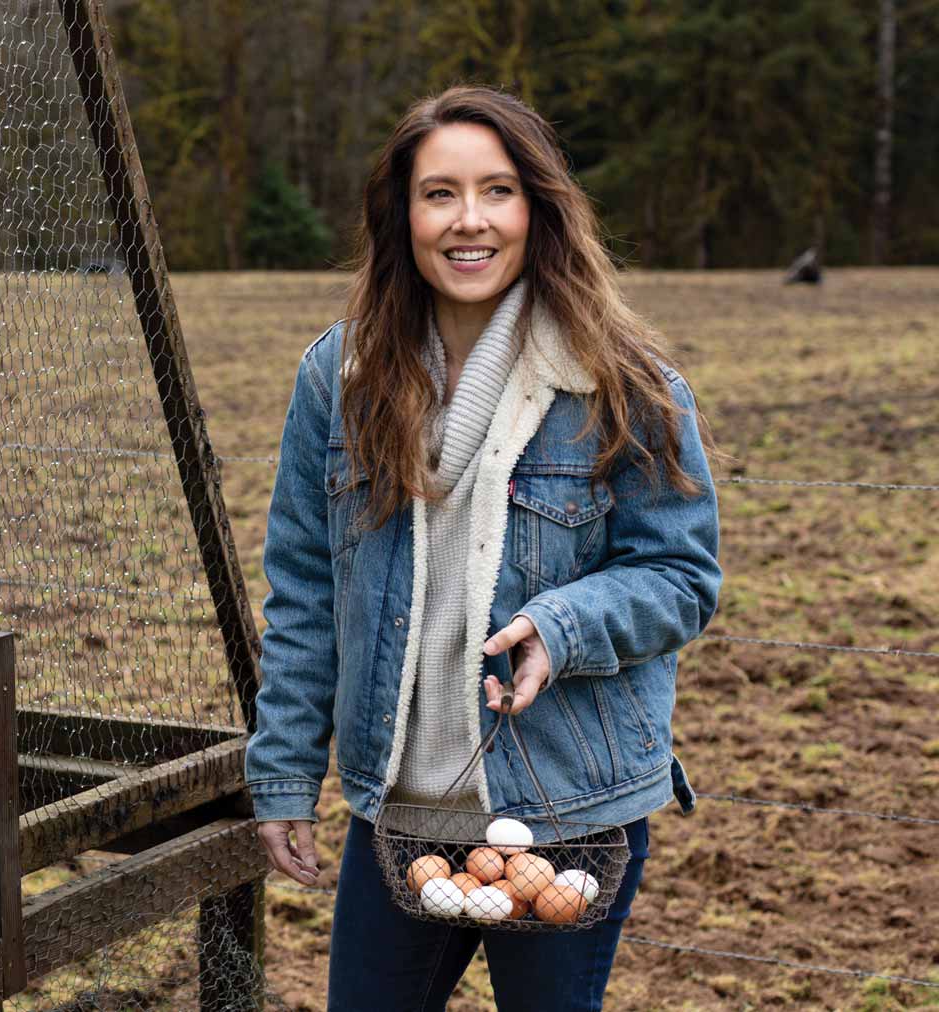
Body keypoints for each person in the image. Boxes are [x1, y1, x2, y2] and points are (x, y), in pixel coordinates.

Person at [245, 85, 723, 1011]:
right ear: (403, 214)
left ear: (538, 211)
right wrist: (286, 775)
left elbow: (680, 576)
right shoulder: (339, 378)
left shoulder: (623, 385)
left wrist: (562, 626)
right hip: (400, 807)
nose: (470, 221)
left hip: (568, 806)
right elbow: (304, 593)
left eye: (498, 191)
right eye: (439, 194)